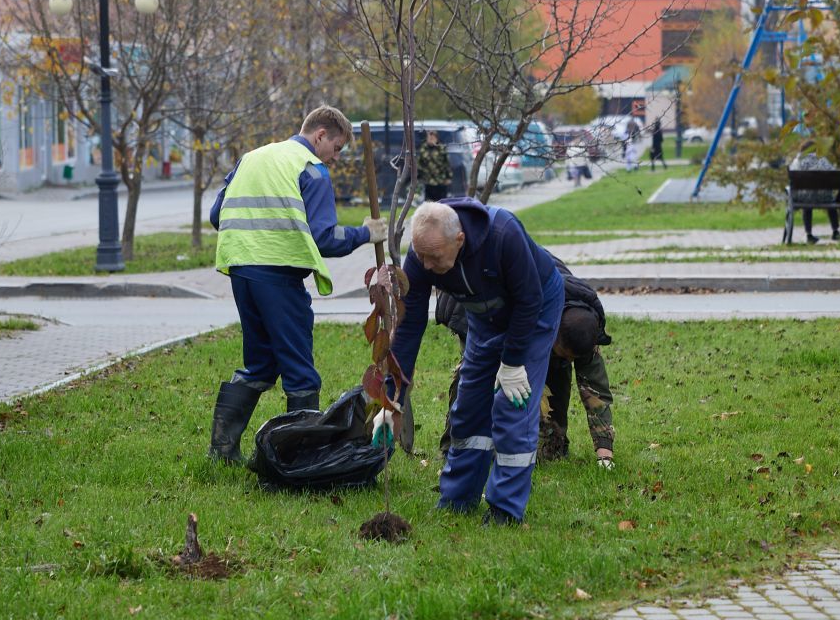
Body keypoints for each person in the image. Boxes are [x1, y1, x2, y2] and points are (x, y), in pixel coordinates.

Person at [207, 106, 388, 463]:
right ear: (320, 135)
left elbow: (217, 215)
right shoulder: (312, 170)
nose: (335, 159)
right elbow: (324, 238)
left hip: (241, 267)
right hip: (278, 272)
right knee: (299, 369)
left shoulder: (252, 158)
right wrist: (366, 233)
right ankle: (300, 456)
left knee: (259, 363)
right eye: (335, 149)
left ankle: (222, 452)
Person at [371, 200, 563, 525]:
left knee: (513, 404)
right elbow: (410, 329)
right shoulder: (422, 257)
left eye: (434, 257)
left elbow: (529, 299)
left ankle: (505, 509)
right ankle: (459, 498)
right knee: (469, 403)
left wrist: (514, 362)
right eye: (422, 257)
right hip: (484, 316)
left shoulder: (504, 234)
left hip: (535, 307)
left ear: (459, 239)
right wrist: (392, 401)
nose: (427, 266)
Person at [435, 254, 616, 468]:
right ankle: (455, 446)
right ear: (551, 331)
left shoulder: (584, 326)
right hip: (475, 304)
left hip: (532, 296)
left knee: (558, 367)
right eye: (564, 353)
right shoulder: (523, 315)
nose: (568, 360)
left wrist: (605, 454)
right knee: (477, 376)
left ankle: (553, 444)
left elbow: (596, 388)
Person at [791, 146, 840, 243]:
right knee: (831, 201)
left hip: (805, 198)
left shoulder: (798, 160)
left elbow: (792, 179)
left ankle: (808, 234)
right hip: (824, 197)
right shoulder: (822, 159)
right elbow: (834, 174)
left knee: (807, 201)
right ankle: (835, 232)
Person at [418, 131, 452, 201]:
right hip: (428, 180)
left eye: (432, 138)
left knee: (442, 202)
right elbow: (419, 164)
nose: (431, 140)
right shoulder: (423, 148)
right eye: (429, 138)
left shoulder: (441, 148)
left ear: (436, 139)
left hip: (440, 180)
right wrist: (420, 176)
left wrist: (448, 177)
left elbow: (447, 163)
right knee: (429, 202)